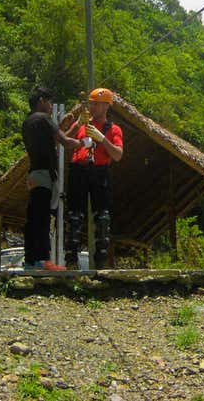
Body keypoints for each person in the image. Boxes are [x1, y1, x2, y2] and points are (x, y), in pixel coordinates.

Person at [65, 88, 123, 270]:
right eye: (91, 103)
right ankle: (71, 262)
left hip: (100, 170)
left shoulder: (113, 129)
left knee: (102, 218)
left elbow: (118, 155)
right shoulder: (82, 125)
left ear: (106, 106)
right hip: (79, 169)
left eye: (96, 104)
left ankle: (101, 263)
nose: (93, 107)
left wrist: (103, 139)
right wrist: (76, 125)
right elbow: (64, 140)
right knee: (74, 217)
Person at [22, 87, 79, 271]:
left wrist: (70, 127)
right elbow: (66, 142)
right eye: (49, 101)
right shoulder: (44, 119)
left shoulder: (28, 122)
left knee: (33, 217)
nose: (51, 105)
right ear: (41, 100)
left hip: (33, 173)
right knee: (43, 217)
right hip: (45, 173)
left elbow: (53, 141)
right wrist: (85, 142)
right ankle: (43, 259)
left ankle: (30, 260)